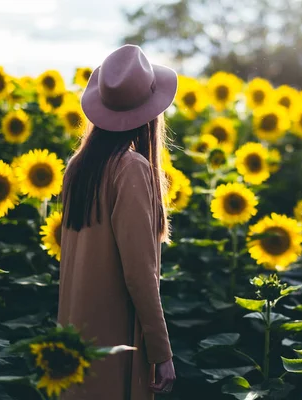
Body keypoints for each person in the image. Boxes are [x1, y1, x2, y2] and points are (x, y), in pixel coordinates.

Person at [58, 44, 177, 400]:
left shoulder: (78, 168)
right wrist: (162, 352)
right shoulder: (132, 169)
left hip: (74, 342)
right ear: (149, 114)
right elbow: (140, 274)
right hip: (115, 346)